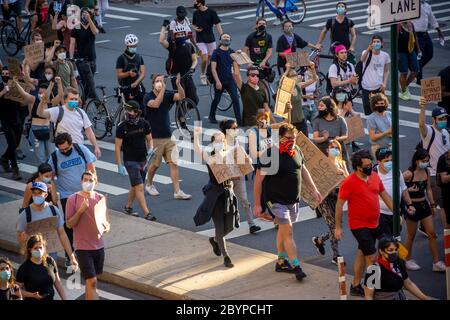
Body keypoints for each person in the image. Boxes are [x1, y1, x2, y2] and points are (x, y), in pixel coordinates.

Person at [253, 124, 322, 281]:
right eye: (288, 138)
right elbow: (258, 181)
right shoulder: (269, 155)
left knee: (283, 231)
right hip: (275, 200)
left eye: (294, 138)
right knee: (288, 231)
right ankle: (296, 266)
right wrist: (257, 204)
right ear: (279, 138)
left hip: (292, 200)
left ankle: (281, 260)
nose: (292, 141)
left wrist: (314, 189)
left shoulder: (297, 150)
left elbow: (303, 170)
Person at [335, 150, 393, 297]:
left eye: (370, 164)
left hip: (375, 222)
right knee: (372, 257)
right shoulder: (349, 182)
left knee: (363, 252)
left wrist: (397, 213)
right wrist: (338, 227)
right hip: (359, 225)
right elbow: (339, 205)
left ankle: (355, 284)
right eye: (366, 166)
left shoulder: (374, 176)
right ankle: (372, 290)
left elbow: (384, 195)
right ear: (358, 167)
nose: (370, 167)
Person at [194, 127, 240, 268]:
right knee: (219, 227)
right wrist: (196, 136)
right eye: (217, 140)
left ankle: (215, 240)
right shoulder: (210, 156)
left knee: (231, 226)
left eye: (222, 140)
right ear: (213, 143)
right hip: (215, 195)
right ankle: (226, 256)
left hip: (228, 194)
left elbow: (237, 173)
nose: (220, 142)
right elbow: (198, 150)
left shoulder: (229, 155)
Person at [48, 132, 96, 264]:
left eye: (66, 148)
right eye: (61, 149)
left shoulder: (81, 149)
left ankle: (87, 251)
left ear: (71, 144)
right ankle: (70, 256)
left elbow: (91, 168)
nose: (64, 151)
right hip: (66, 196)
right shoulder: (54, 156)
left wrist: (91, 187)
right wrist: (54, 197)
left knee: (87, 223)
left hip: (84, 193)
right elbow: (50, 177)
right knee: (69, 225)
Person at [143, 74, 192, 200]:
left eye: (161, 81)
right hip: (155, 138)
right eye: (157, 81)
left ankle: (177, 191)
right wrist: (163, 90)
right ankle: (149, 184)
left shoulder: (167, 94)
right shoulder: (147, 96)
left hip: (168, 137)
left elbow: (181, 96)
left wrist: (178, 85)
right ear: (153, 84)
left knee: (174, 163)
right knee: (154, 165)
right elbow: (155, 104)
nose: (160, 83)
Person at [66, 171, 110, 300]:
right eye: (86, 180)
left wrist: (106, 226)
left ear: (96, 183)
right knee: (92, 281)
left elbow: (106, 220)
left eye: (91, 180)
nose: (88, 183)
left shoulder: (100, 198)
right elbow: (69, 224)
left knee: (91, 283)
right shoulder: (72, 199)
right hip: (82, 247)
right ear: (81, 181)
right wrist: (80, 211)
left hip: (98, 246)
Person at [402, 147, 446, 272]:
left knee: (432, 233)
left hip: (424, 205)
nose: (426, 162)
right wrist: (408, 190)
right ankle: (407, 259)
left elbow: (429, 190)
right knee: (411, 235)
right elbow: (398, 187)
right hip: (413, 207)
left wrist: (432, 205)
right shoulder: (408, 174)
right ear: (416, 160)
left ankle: (436, 262)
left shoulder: (426, 171)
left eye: (427, 160)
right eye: (424, 160)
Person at [17, 181, 78, 266]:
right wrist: (22, 239)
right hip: (33, 256)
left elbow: (62, 234)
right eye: (34, 193)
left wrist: (72, 257)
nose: (36, 196)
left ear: (45, 195)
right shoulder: (25, 214)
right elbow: (20, 237)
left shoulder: (54, 211)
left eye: (39, 193)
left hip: (51, 254)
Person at [115, 100, 156, 221]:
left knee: (136, 185)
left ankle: (128, 206)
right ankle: (147, 213)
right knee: (139, 187)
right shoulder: (122, 127)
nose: (128, 113)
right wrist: (119, 164)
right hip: (130, 161)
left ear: (137, 112)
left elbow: (149, 139)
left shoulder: (144, 123)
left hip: (143, 160)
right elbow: (117, 146)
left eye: (131, 110)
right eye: (126, 110)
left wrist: (151, 149)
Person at [220, 119, 261, 234]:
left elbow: (240, 155)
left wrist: (247, 159)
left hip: (239, 176)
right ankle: (223, 227)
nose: (236, 130)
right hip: (227, 179)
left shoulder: (235, 141)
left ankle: (252, 225)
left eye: (236, 127)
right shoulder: (221, 144)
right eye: (234, 128)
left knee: (244, 200)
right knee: (225, 202)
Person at [37, 87, 101, 158]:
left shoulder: (81, 112)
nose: (74, 101)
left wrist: (96, 146)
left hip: (79, 149)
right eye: (71, 99)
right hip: (63, 151)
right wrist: (42, 102)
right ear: (65, 100)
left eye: (76, 99)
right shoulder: (58, 111)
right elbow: (40, 113)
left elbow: (88, 131)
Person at [312, 140, 348, 264]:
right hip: (325, 199)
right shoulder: (323, 164)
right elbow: (320, 184)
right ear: (327, 150)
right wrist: (334, 177)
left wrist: (342, 174)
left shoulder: (342, 163)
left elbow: (348, 181)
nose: (334, 149)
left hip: (338, 198)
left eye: (336, 147)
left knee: (338, 226)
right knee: (333, 226)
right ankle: (336, 255)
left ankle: (320, 240)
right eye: (331, 147)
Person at [418, 97, 450, 232]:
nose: (443, 121)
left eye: (445, 118)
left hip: (445, 172)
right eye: (441, 118)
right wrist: (422, 107)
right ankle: (446, 231)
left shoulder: (446, 132)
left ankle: (424, 224)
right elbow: (421, 125)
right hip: (433, 174)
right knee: (442, 205)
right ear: (434, 119)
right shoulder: (429, 132)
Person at [364, 236, 429, 300]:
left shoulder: (399, 262)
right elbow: (368, 296)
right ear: (381, 251)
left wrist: (425, 298)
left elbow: (408, 283)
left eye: (396, 250)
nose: (394, 253)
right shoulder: (374, 270)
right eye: (390, 250)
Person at [374, 147, 414, 237]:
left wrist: (410, 204)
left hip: (395, 213)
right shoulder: (374, 175)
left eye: (391, 160)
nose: (390, 163)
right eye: (386, 160)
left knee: (395, 239)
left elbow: (404, 189)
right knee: (386, 242)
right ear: (379, 162)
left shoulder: (397, 171)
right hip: (380, 214)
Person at [16, 234, 66, 300]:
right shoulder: (24, 268)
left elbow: (57, 282)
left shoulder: (50, 260)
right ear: (30, 250)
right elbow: (16, 290)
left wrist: (64, 298)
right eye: (35, 248)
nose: (39, 250)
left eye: (40, 247)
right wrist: (32, 295)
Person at [160, 23, 199, 106]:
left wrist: (192, 68)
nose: (180, 36)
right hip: (176, 76)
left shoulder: (189, 46)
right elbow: (162, 41)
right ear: (175, 36)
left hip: (187, 76)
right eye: (178, 34)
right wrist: (164, 27)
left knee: (195, 99)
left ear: (185, 34)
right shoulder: (172, 46)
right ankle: (180, 117)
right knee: (180, 100)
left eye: (182, 34)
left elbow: (195, 60)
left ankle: (186, 111)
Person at [209, 33, 242, 125]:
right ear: (220, 40)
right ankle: (211, 115)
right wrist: (217, 81)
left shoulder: (232, 52)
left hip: (230, 80)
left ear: (230, 40)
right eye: (224, 37)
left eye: (228, 37)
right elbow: (213, 69)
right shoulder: (216, 52)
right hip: (220, 80)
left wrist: (239, 54)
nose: (226, 39)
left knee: (235, 99)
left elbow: (238, 64)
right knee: (217, 99)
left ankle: (239, 120)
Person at [0, 68, 27, 180]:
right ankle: (15, 169)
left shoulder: (16, 86)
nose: (5, 75)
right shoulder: (1, 86)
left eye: (7, 74)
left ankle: (4, 159)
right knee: (12, 144)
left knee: (15, 144)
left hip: (17, 118)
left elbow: (23, 101)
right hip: (5, 119)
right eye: (3, 74)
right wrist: (4, 91)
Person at [69, 7, 100, 102]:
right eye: (83, 14)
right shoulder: (76, 27)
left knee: (87, 83)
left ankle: (82, 102)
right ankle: (98, 105)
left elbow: (95, 32)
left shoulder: (92, 23)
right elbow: (72, 43)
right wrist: (71, 57)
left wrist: (90, 19)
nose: (84, 15)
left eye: (86, 13)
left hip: (92, 58)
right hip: (82, 59)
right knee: (91, 83)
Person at [412, 0, 444, 84]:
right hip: (416, 34)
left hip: (425, 33)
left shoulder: (427, 5)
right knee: (420, 57)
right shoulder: (412, 5)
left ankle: (416, 70)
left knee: (430, 54)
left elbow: (432, 18)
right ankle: (419, 79)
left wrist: (438, 30)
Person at [192, 0, 223, 86]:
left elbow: (217, 25)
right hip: (200, 40)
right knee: (204, 59)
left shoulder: (212, 12)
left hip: (210, 39)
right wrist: (195, 28)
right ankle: (202, 74)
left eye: (195, 2)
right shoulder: (196, 13)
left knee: (210, 59)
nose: (193, 3)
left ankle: (208, 74)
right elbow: (193, 24)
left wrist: (222, 36)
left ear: (200, 3)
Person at [283, 62, 318, 136]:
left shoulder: (298, 86)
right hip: (291, 122)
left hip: (301, 121)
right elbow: (281, 82)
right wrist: (287, 69)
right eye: (293, 75)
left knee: (305, 142)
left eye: (295, 75)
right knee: (292, 144)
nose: (295, 77)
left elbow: (315, 79)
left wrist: (313, 68)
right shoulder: (285, 89)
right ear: (288, 78)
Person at [360, 35, 391, 116]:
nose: (376, 43)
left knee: (380, 112)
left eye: (378, 41)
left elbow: (386, 70)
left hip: (378, 88)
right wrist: (368, 49)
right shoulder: (366, 53)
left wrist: (384, 83)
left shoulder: (385, 55)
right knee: (369, 113)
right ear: (371, 43)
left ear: (381, 44)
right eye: (374, 42)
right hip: (366, 88)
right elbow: (362, 60)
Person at [116, 34, 146, 108]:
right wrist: (128, 73)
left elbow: (143, 73)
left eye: (135, 46)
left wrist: (136, 83)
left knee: (142, 108)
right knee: (129, 109)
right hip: (126, 87)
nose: (133, 48)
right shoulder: (121, 58)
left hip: (138, 87)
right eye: (131, 46)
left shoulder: (139, 57)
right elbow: (119, 74)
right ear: (127, 46)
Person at [398, 21, 421, 101]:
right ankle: (404, 92)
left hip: (411, 50)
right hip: (400, 52)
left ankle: (404, 86)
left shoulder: (410, 24)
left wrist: (418, 49)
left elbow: (415, 37)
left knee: (416, 70)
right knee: (403, 72)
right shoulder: (398, 26)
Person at [366, 93, 392, 158]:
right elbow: (373, 137)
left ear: (385, 104)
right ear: (374, 105)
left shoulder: (389, 114)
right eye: (377, 104)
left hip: (390, 146)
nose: (380, 105)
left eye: (382, 103)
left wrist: (389, 133)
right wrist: (387, 132)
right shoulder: (371, 118)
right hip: (378, 147)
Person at [437, 149, 450, 229]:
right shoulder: (444, 158)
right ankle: (447, 241)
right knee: (449, 223)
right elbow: (444, 179)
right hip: (448, 194)